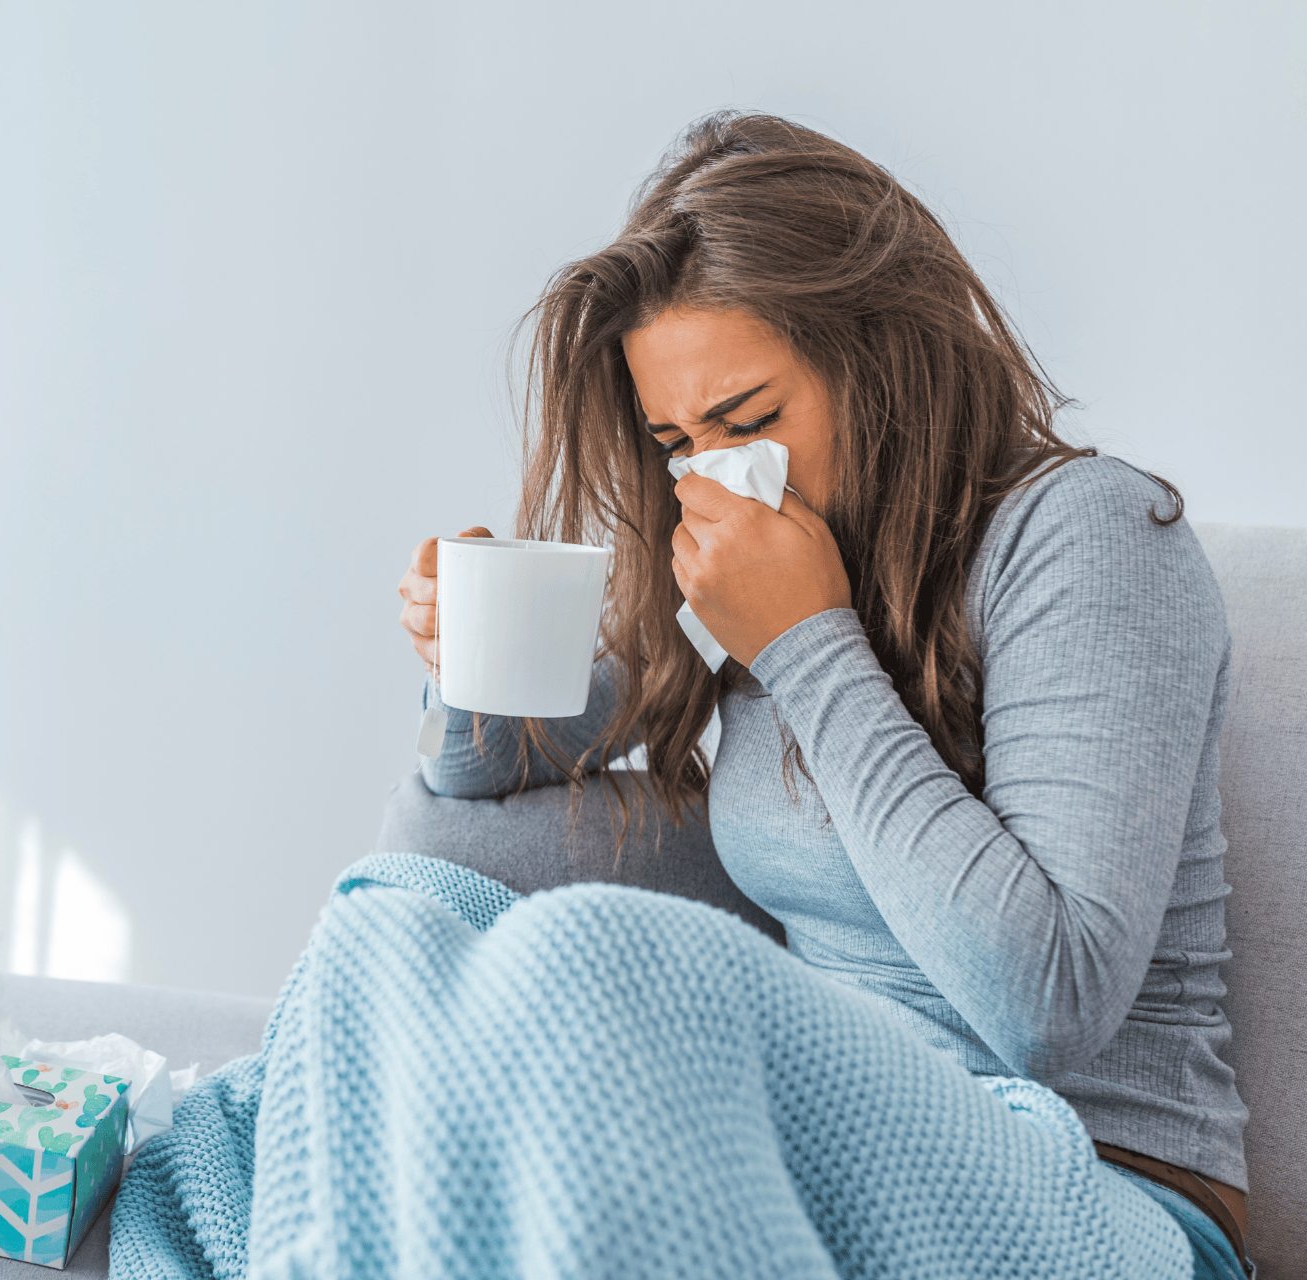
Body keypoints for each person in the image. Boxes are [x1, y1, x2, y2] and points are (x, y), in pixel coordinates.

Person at [395, 112, 1250, 1276]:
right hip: (825, 1154)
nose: (718, 474)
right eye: (678, 442)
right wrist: (466, 660)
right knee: (400, 905)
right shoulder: (746, 572)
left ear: (883, 361)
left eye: (750, 421)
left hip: (1100, 1194)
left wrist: (807, 641)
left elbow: (1046, 1004)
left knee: (584, 970)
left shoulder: (1086, 534)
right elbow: (484, 774)